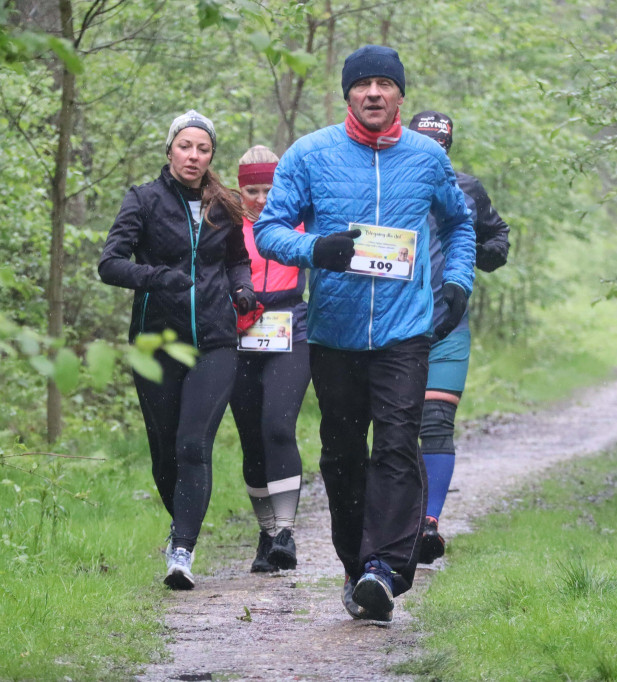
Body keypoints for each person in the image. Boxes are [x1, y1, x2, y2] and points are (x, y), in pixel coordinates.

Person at [253, 45, 476, 621]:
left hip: (405, 332)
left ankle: (385, 568)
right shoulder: (310, 154)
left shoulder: (427, 158)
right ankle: (356, 567)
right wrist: (315, 249)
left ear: (401, 94)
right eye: (363, 85)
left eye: (385, 84)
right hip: (334, 335)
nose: (374, 93)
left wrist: (456, 283)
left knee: (399, 445)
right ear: (346, 93)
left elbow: (460, 222)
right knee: (343, 455)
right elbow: (271, 230)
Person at [98, 110, 256, 590]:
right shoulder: (143, 201)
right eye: (185, 146)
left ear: (211, 156)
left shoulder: (222, 205)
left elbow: (238, 262)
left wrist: (243, 289)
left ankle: (182, 551)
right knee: (166, 454)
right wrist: (157, 278)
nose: (193, 155)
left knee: (193, 445)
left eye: (203, 149)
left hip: (215, 341)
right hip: (156, 342)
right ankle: (180, 527)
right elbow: (110, 264)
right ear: (169, 150)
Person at [407, 110, 511, 564]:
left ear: (448, 146)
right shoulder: (387, 186)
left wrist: (483, 256)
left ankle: (428, 524)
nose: (434, 150)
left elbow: (497, 235)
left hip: (449, 323)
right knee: (396, 429)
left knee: (435, 424)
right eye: (426, 141)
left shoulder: (466, 189)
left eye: (441, 144)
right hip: (394, 325)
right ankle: (396, 521)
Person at [229, 145, 311, 573]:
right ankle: (265, 537)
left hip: (291, 326)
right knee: (251, 436)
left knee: (277, 425)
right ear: (240, 191)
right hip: (239, 333)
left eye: (269, 188)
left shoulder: (296, 221)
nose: (261, 199)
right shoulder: (224, 226)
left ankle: (286, 533)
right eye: (253, 191)